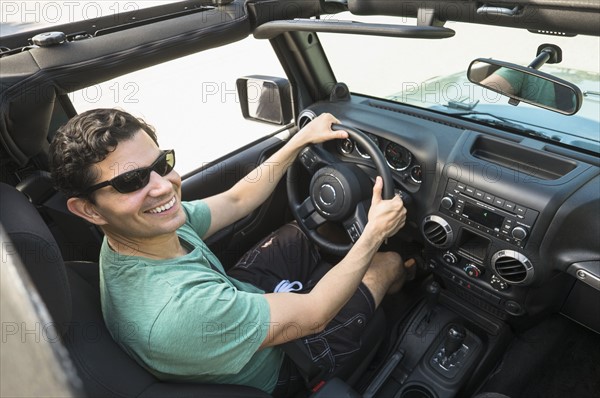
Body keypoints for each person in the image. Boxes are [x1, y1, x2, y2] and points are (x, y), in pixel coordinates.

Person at [49, 108, 413, 396]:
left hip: (232, 304)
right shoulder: (177, 311)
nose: (163, 188)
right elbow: (315, 314)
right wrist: (375, 233)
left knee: (309, 230)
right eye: (131, 181)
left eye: (162, 165)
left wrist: (299, 140)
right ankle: (407, 278)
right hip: (289, 363)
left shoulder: (143, 229)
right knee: (386, 261)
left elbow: (237, 199)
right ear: (89, 210)